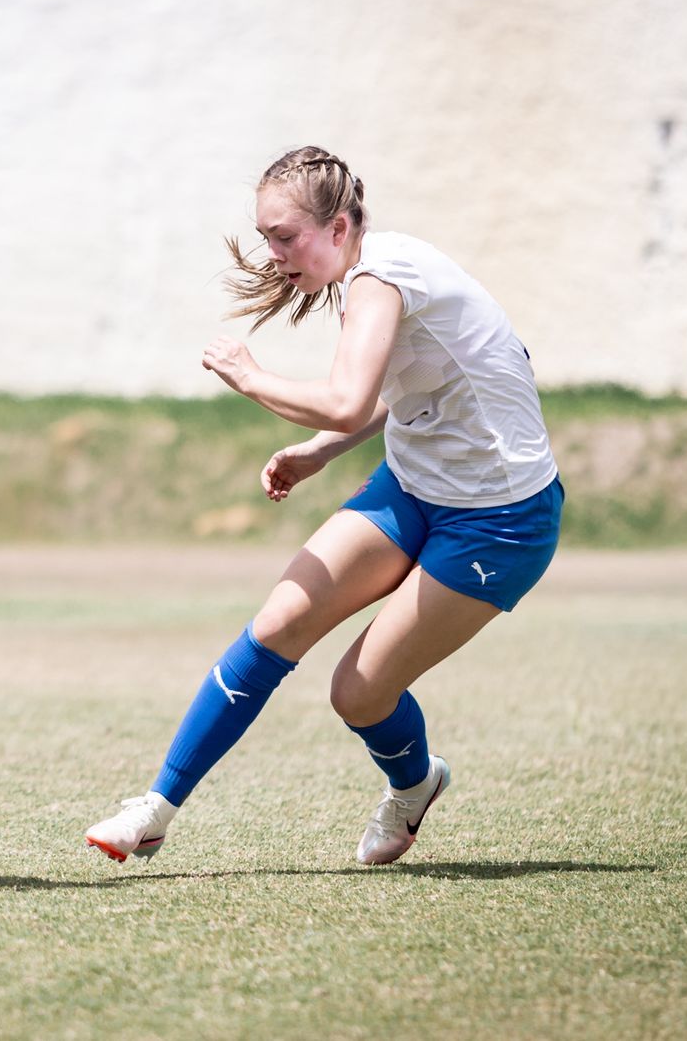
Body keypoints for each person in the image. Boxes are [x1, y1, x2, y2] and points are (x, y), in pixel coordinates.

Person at [84, 146, 562, 866]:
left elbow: (347, 396)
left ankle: (414, 786)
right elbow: (396, 391)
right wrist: (319, 451)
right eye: (265, 237)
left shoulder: (381, 278)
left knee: (358, 695)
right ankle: (157, 807)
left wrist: (250, 378)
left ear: (339, 228)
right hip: (413, 487)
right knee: (278, 622)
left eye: (285, 237)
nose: (273, 255)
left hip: (500, 520)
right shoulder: (376, 272)